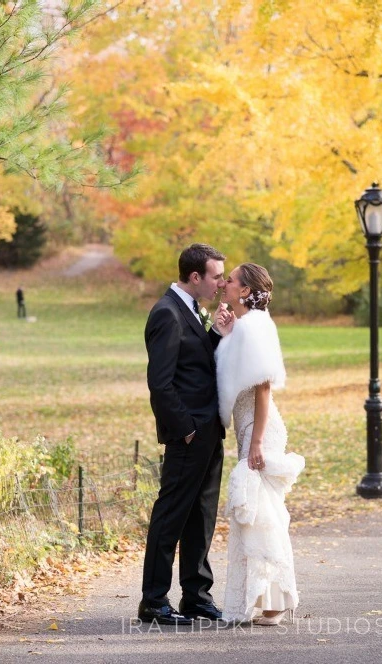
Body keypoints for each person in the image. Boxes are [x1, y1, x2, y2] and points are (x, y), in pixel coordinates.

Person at [139, 244, 227, 627]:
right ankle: (153, 601)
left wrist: (217, 335)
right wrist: (187, 430)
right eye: (216, 276)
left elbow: (195, 365)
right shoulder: (166, 313)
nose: (221, 283)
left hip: (210, 432)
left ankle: (196, 596)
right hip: (189, 435)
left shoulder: (192, 312)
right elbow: (160, 384)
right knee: (171, 515)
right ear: (195, 277)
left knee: (201, 517)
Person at [214, 263, 304, 626]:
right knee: (256, 514)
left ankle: (277, 601)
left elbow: (263, 386)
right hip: (247, 429)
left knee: (260, 515)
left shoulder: (255, 327)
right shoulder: (245, 326)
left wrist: (256, 442)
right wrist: (224, 334)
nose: (224, 283)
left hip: (259, 431)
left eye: (231, 280)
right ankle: (265, 601)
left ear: (246, 291)